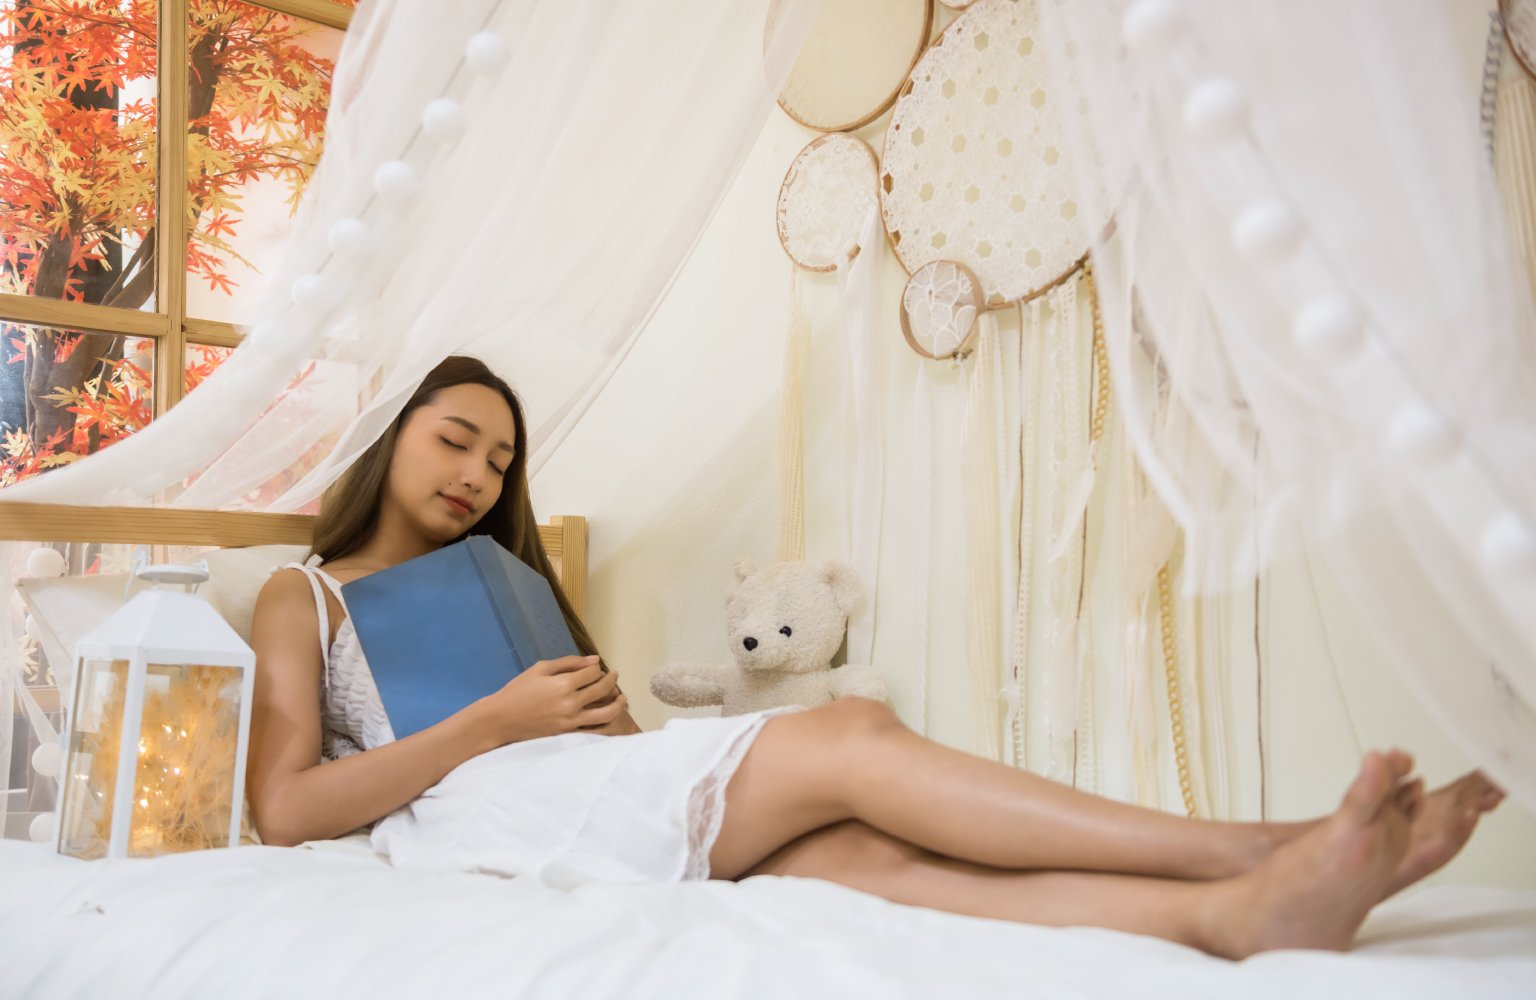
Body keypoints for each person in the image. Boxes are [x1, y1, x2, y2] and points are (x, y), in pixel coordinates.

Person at [247, 354, 1505, 961]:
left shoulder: (515, 586)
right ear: (388, 433)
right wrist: (498, 722)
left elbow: (607, 755)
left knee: (872, 862)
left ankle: (1231, 912)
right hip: (476, 802)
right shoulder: (303, 597)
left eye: (502, 461)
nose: (478, 475)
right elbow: (284, 806)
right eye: (457, 441)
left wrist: (585, 716)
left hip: (563, 788)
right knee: (850, 739)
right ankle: (1263, 841)